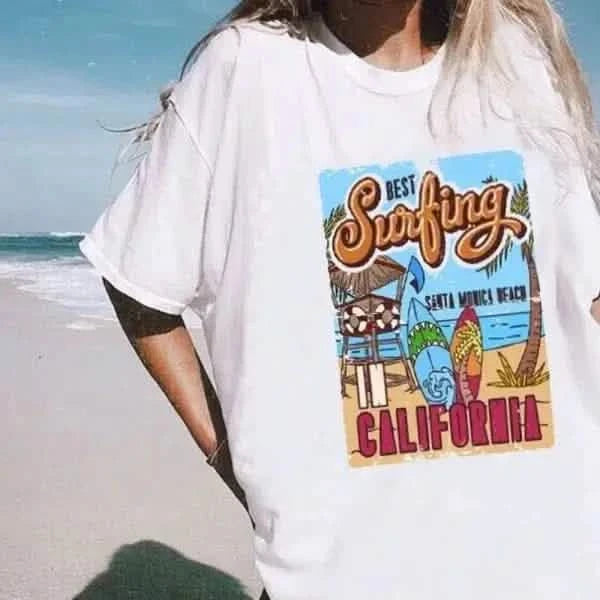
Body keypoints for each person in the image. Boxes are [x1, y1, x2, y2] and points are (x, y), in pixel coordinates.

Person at [79, 1, 600, 598]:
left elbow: (588, 292)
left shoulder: (515, 61)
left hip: (554, 561)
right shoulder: (249, 71)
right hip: (337, 575)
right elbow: (137, 282)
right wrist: (232, 459)